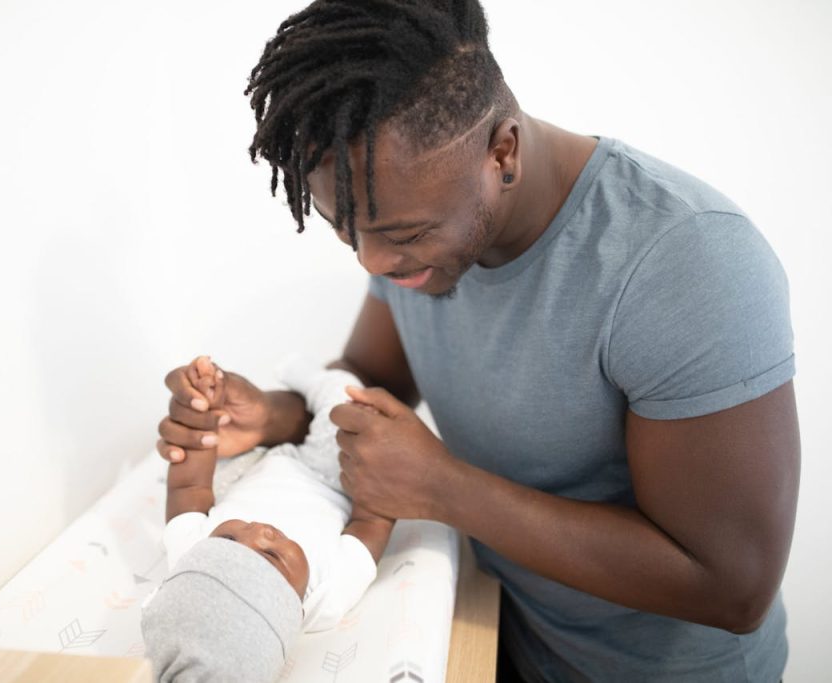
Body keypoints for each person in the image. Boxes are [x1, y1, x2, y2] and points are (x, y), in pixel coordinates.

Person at [156, 1, 800, 680]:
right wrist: (271, 414)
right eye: (346, 229)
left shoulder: (686, 261)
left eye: (399, 235)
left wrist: (444, 489)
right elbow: (368, 376)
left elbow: (733, 585)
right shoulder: (417, 237)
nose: (371, 263)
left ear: (503, 152)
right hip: (497, 631)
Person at [144, 355, 393, 682]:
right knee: (351, 409)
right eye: (271, 555)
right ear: (294, 607)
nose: (258, 531)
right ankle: (308, 375)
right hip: (330, 475)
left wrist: (202, 421)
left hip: (249, 464)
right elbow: (370, 523)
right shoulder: (327, 596)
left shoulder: (189, 558)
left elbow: (190, 486)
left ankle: (235, 398)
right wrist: (380, 473)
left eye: (228, 540)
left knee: (218, 428)